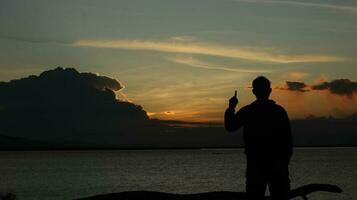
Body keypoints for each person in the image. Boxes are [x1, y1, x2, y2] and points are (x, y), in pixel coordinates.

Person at [225, 76, 293, 200]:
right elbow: (288, 142)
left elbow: (230, 126)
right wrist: (283, 161)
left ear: (254, 92)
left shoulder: (248, 111)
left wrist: (231, 107)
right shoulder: (279, 111)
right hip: (276, 165)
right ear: (269, 91)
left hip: (256, 165)